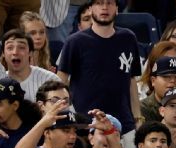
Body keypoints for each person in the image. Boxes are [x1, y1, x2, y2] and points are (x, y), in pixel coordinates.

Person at [56, 0, 143, 135]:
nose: (104, 7)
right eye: (99, 3)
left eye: (109, 3)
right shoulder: (75, 42)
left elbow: (131, 80)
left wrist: (138, 118)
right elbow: (60, 82)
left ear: (117, 9)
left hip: (125, 123)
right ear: (90, 9)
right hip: (85, 124)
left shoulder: (128, 38)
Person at [0, 29, 60, 101]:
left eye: (21, 47)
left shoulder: (50, 79)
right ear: (3, 53)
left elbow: (64, 109)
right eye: (10, 48)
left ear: (30, 53)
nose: (15, 52)